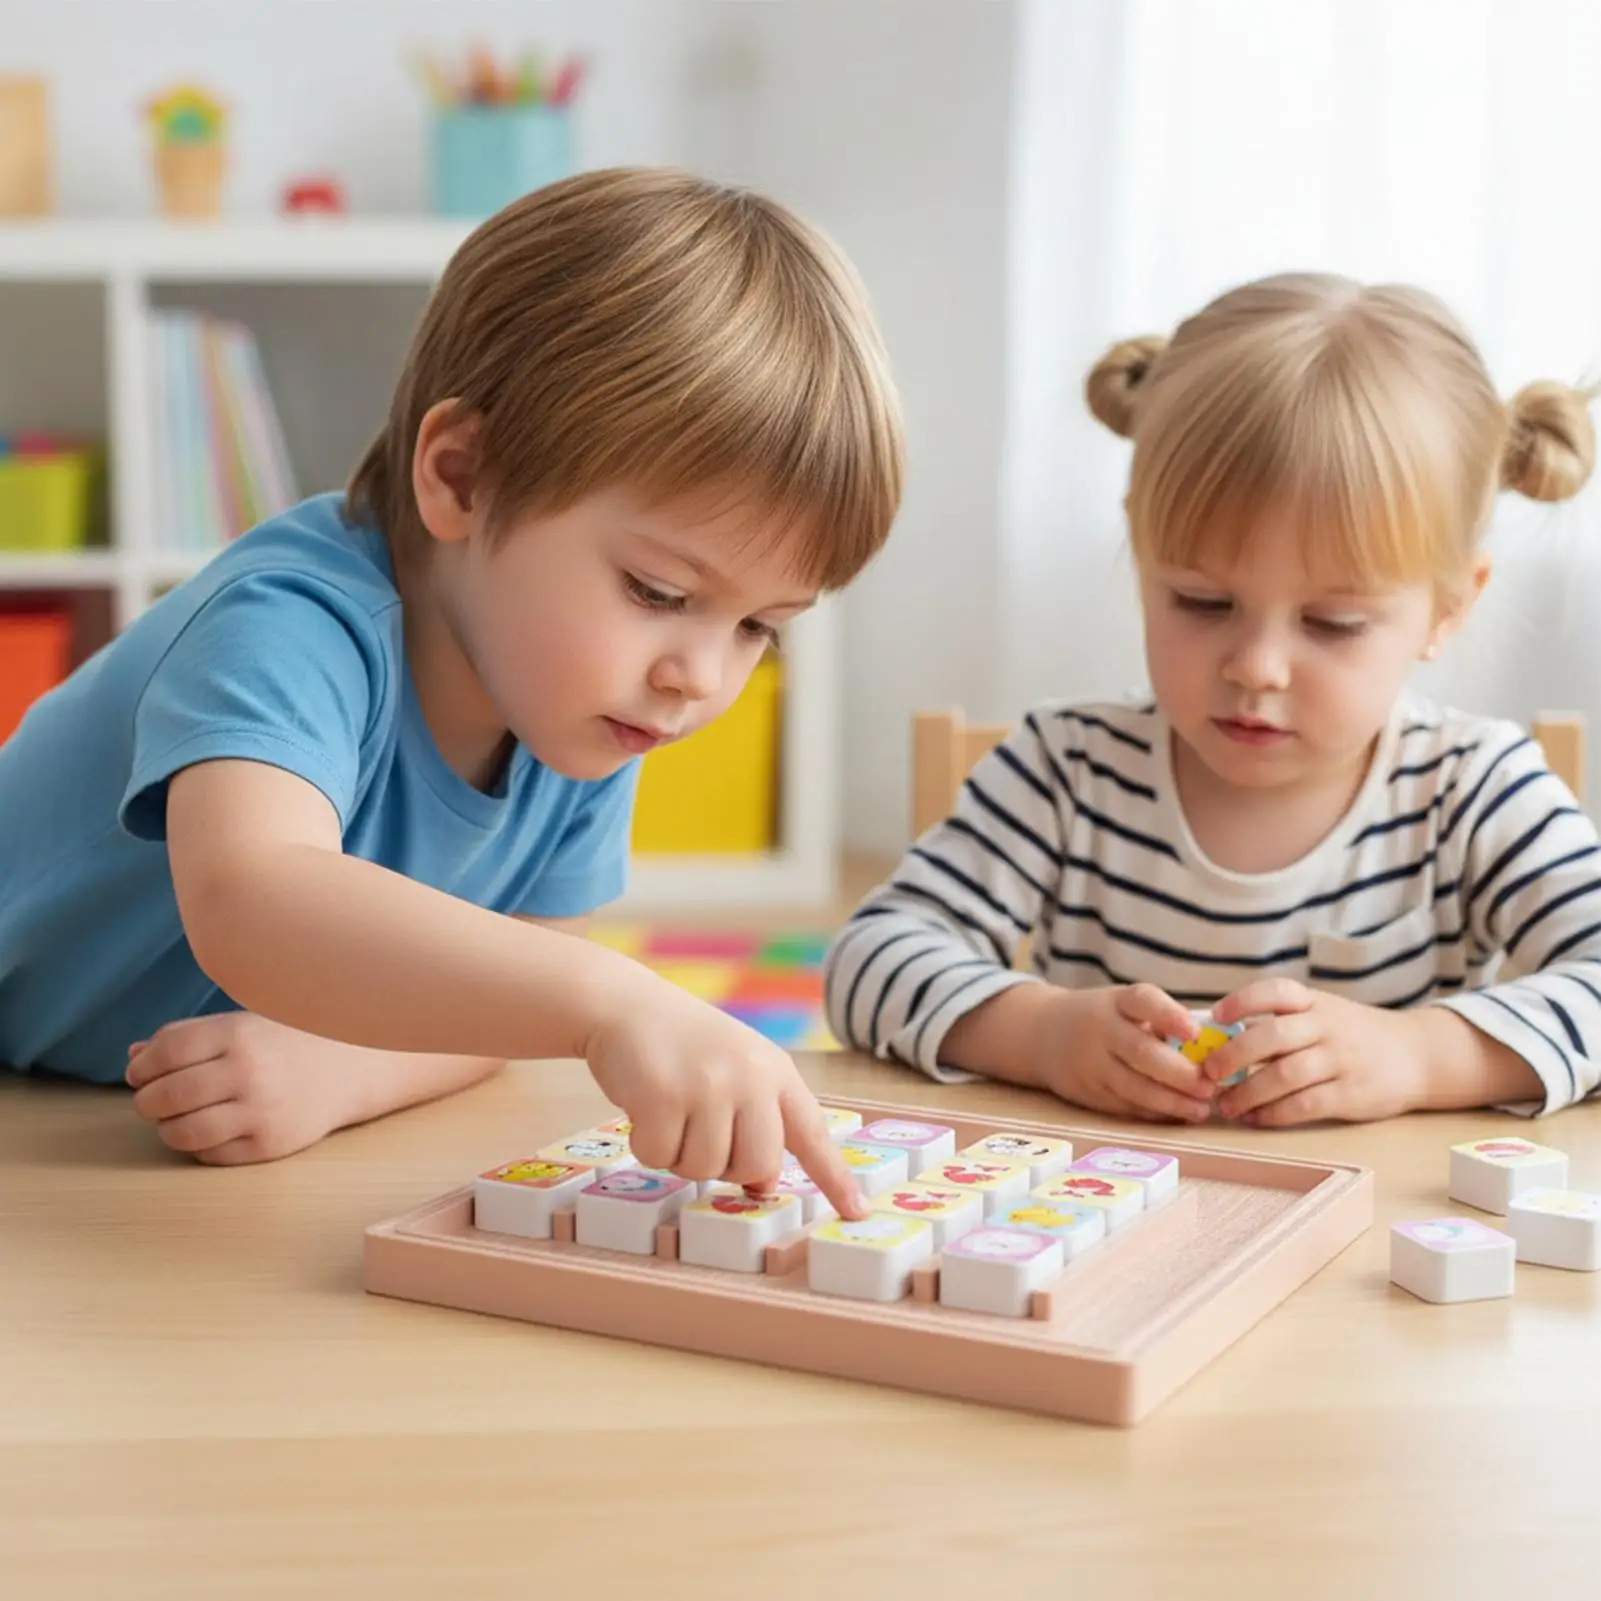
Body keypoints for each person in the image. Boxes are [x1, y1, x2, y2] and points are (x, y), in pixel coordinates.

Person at [0, 167, 903, 1213]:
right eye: (658, 591)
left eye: (757, 627)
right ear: (463, 474)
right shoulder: (290, 621)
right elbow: (251, 893)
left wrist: (343, 1068)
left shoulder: (581, 704)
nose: (697, 677)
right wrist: (615, 1000)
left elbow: (516, 980)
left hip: (80, 1122)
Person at [825, 271, 1599, 1128]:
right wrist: (1041, 1033)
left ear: (1447, 608)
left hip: (1387, 1238)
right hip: (1110, 1224)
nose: (1256, 667)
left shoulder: (1470, 788)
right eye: (1202, 602)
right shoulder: (1068, 770)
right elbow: (869, 958)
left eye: (1332, 622)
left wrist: (1418, 1054)